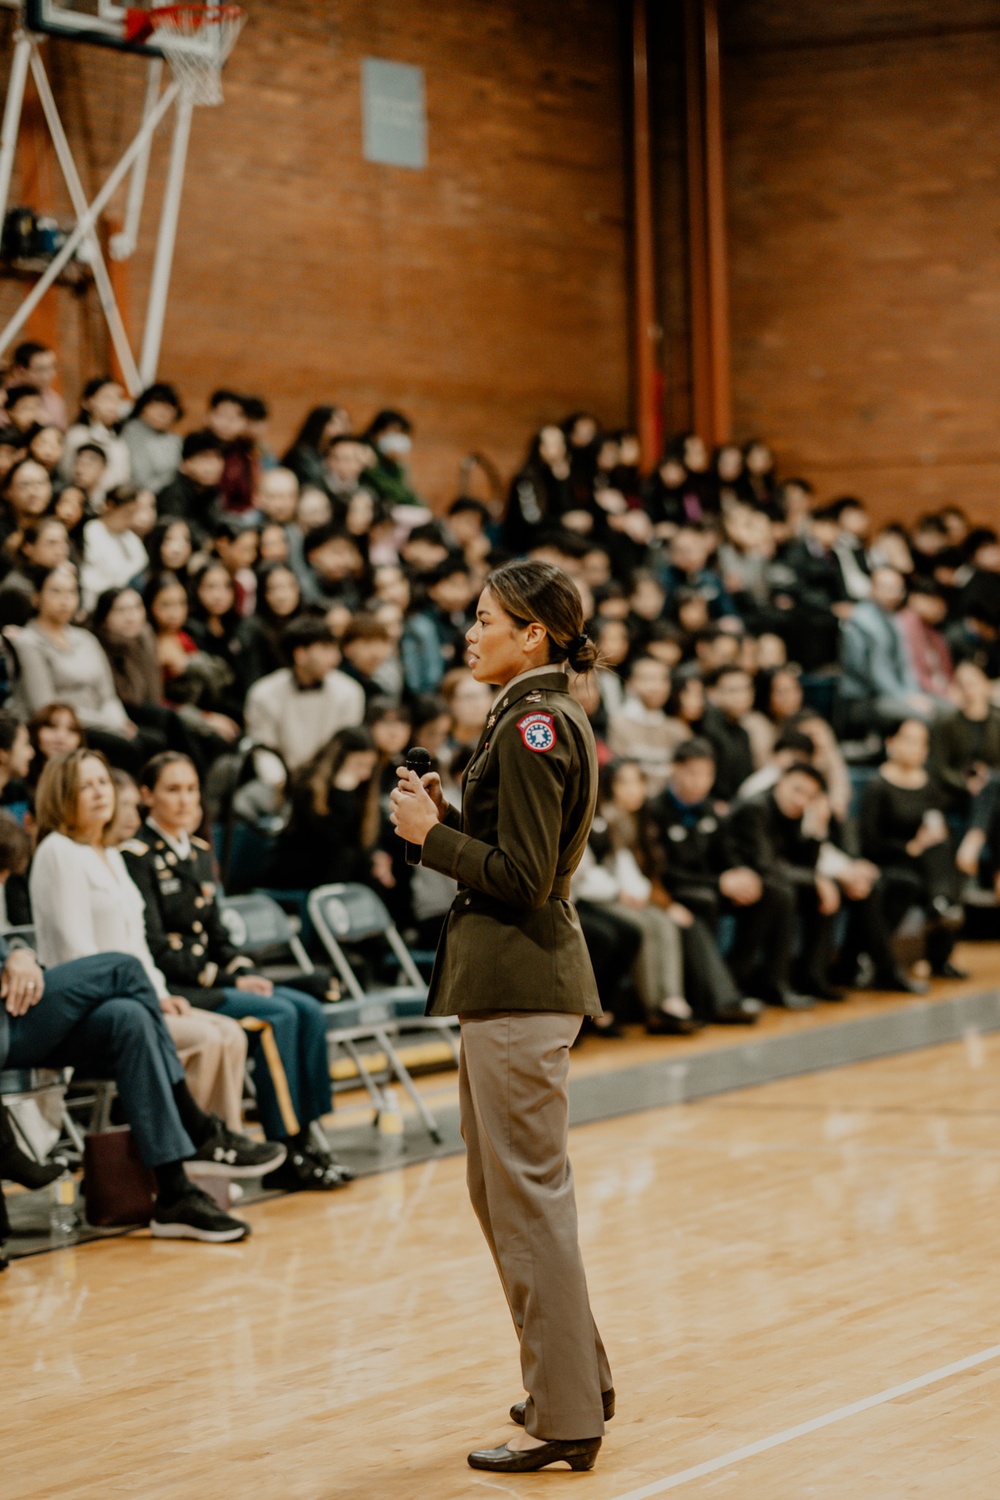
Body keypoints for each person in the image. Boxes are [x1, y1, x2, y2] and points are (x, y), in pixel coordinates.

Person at [390, 558, 612, 1475]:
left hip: (521, 985)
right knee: (512, 1197)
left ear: (536, 634)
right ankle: (577, 1380)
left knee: (525, 1202)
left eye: (486, 619)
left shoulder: (530, 722)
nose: (469, 632)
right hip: (515, 986)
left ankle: (565, 1416)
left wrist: (429, 839)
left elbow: (520, 877)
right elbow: (520, 849)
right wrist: (449, 816)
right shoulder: (540, 714)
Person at [0, 810, 283, 1243]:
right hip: (12, 1022)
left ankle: (173, 1195)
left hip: (21, 1010)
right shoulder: (58, 850)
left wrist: (16, 953)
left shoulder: (101, 851)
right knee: (124, 969)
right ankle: (199, 1127)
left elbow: (8, 937)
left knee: (129, 1018)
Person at [122, 753, 351, 1191]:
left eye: (191, 790)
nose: (186, 800)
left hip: (211, 978)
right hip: (180, 988)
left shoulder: (200, 852)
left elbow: (219, 935)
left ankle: (310, 1136)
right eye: (173, 790)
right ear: (147, 796)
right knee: (276, 1017)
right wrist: (229, 979)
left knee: (307, 1010)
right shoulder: (137, 857)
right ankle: (285, 1146)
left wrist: (242, 968)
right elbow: (155, 947)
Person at [28, 748, 274, 1138]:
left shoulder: (108, 852)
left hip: (135, 996)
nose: (99, 792)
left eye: (103, 782)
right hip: (90, 1010)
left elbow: (137, 942)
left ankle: (220, 1164)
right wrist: (148, 998)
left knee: (229, 1034)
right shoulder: (58, 851)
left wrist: (159, 992)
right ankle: (189, 1160)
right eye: (84, 785)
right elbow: (79, 955)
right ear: (61, 794)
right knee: (206, 1039)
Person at [8, 562, 164, 773]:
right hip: (65, 729)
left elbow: (107, 693)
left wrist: (120, 720)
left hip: (106, 720)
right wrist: (110, 723)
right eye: (56, 591)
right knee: (129, 749)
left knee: (158, 741)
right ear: (37, 597)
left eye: (71, 592)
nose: (64, 600)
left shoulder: (85, 638)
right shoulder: (28, 642)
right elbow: (45, 706)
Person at [723, 762, 841, 1006]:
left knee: (822, 891)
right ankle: (775, 982)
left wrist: (816, 830)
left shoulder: (798, 816)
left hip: (769, 880)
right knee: (784, 892)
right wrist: (814, 880)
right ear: (779, 783)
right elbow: (764, 864)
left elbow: (805, 864)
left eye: (809, 796)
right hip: (733, 878)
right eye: (796, 790)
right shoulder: (754, 808)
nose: (800, 800)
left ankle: (812, 977)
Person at [859, 718, 965, 982]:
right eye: (909, 740)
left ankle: (940, 949)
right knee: (920, 877)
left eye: (922, 743)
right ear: (890, 743)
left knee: (947, 857)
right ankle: (938, 905)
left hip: (924, 860)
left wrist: (933, 835)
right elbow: (870, 841)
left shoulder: (927, 784)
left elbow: (935, 819)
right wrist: (910, 847)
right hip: (890, 858)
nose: (917, 748)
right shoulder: (877, 786)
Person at [243, 616, 365, 771]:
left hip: (330, 777)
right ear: (300, 654)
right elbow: (263, 749)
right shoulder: (263, 693)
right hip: (280, 780)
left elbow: (345, 747)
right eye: (325, 648)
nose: (336, 657)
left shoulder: (350, 692)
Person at [121, 383, 183, 494]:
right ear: (143, 408)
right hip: (138, 497)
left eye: (169, 408)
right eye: (156, 406)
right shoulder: (133, 432)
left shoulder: (175, 440)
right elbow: (142, 481)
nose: (163, 413)